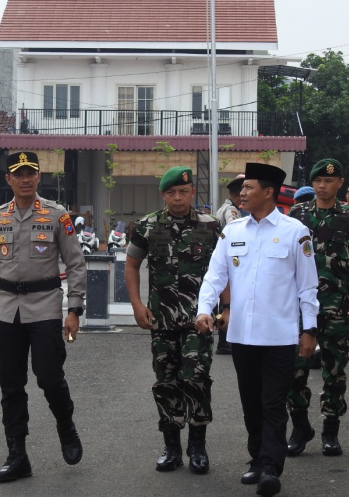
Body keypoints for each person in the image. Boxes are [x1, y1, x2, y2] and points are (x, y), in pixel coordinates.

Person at [195, 162, 319, 497]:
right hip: (241, 336)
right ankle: (256, 457)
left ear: (268, 192)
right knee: (251, 403)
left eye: (249, 187)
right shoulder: (233, 231)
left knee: (273, 403)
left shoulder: (295, 232)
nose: (242, 193)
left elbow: (308, 287)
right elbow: (215, 276)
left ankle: (270, 468)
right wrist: (204, 309)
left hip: (279, 336)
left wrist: (309, 330)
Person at [0, 151, 87, 483]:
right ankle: (17, 455)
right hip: (7, 311)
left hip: (45, 308)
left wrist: (74, 309)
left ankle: (65, 425)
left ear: (39, 177)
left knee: (49, 377)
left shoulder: (57, 215)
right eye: (18, 174)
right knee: (11, 386)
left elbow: (75, 263)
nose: (25, 179)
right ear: (8, 179)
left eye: (31, 173)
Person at [124, 166, 224, 475]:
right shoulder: (147, 226)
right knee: (166, 381)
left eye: (183, 191)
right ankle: (171, 447)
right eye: (171, 192)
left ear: (193, 191)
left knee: (196, 378)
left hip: (199, 319)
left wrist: (227, 308)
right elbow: (131, 265)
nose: (178, 197)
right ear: (163, 195)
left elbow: (223, 269)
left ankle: (198, 446)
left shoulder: (211, 225)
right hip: (162, 319)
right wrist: (137, 305)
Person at [286, 158, 349, 457]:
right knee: (294, 368)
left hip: (338, 305)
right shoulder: (297, 214)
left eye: (328, 181)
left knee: (334, 369)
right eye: (318, 181)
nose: (322, 186)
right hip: (299, 306)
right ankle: (300, 427)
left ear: (340, 184)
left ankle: (330, 431)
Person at [213, 173, 247, 355]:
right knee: (228, 302)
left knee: (225, 300)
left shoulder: (224, 207)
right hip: (229, 260)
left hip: (223, 259)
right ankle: (224, 341)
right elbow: (235, 234)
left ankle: (224, 340)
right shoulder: (231, 211)